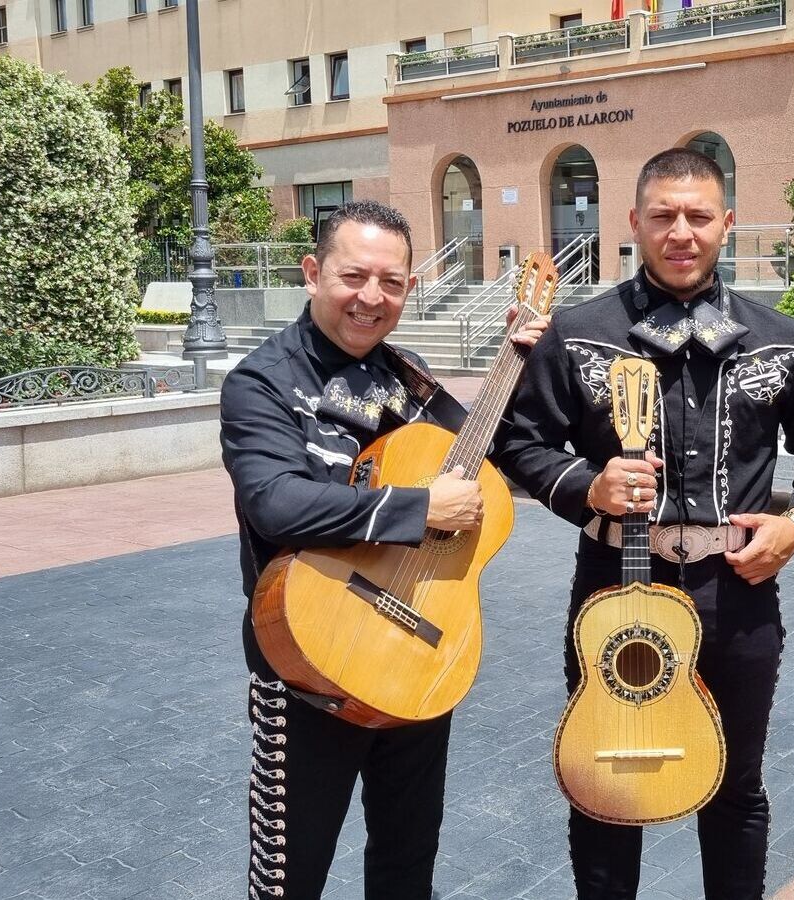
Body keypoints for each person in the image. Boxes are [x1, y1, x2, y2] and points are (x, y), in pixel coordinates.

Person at [495, 148, 794, 899]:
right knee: (605, 782)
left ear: (725, 224)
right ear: (633, 224)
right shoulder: (581, 332)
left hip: (740, 591)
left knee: (735, 784)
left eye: (697, 216)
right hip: (612, 587)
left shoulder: (782, 339)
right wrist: (588, 486)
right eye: (662, 216)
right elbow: (518, 441)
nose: (680, 232)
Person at [219, 199, 548, 900]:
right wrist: (418, 507)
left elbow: (487, 453)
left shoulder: (409, 376)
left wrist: (519, 362)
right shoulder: (264, 382)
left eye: (392, 282)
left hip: (417, 658)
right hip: (311, 667)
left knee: (407, 862)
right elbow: (273, 502)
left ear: (410, 288)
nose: (371, 298)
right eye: (353, 276)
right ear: (313, 272)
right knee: (289, 875)